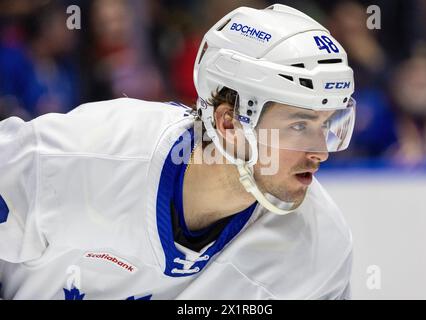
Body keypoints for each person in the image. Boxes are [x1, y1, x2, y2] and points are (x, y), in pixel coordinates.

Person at [0, 4, 355, 299]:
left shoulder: (320, 247)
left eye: (327, 125)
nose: (321, 151)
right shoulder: (88, 151)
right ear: (229, 124)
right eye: (299, 126)